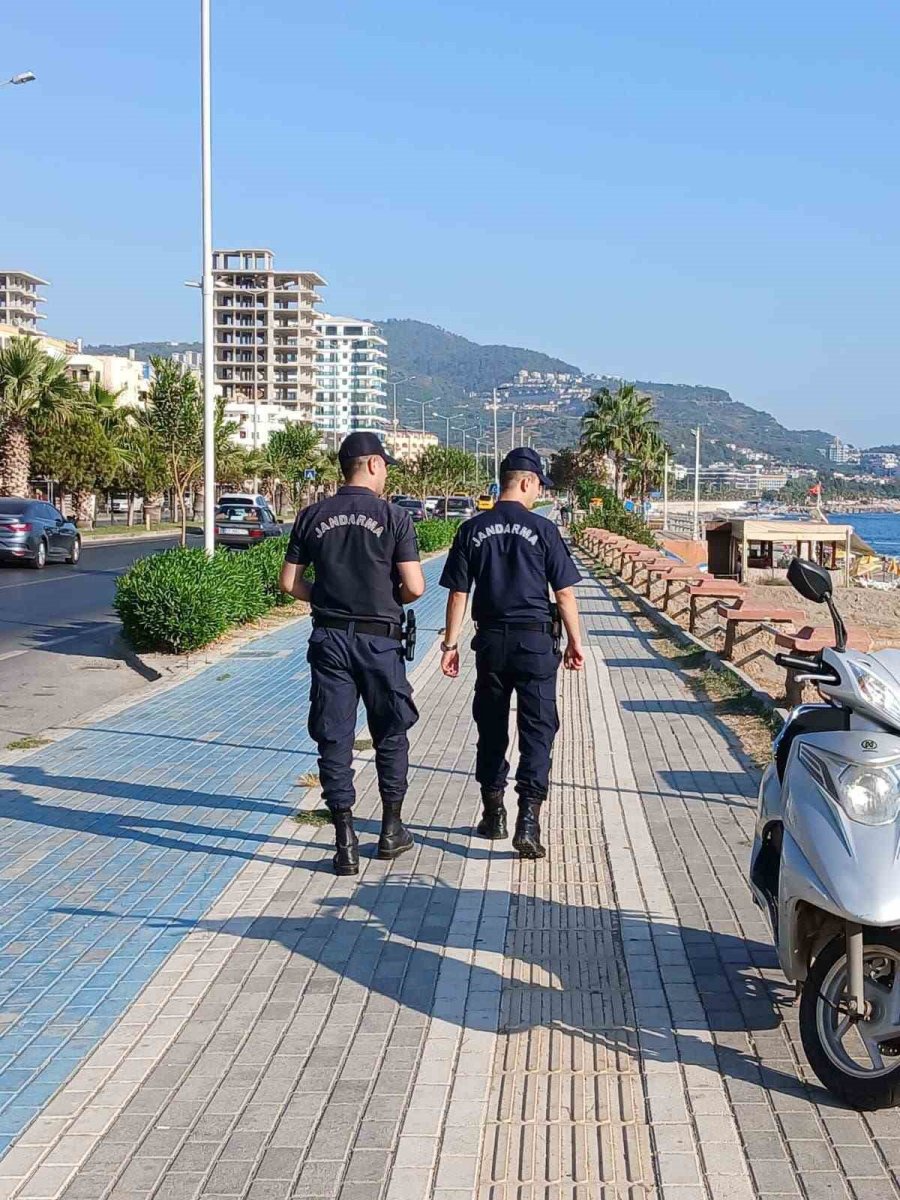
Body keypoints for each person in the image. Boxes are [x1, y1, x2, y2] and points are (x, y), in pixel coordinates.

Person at [279, 432, 426, 876]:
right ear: (375, 465)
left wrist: (327, 598)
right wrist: (386, 600)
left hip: (329, 640)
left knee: (334, 737)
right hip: (380, 642)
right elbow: (415, 587)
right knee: (390, 732)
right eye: (385, 468)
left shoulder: (311, 515)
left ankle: (344, 841)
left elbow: (289, 583)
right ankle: (390, 830)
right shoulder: (394, 517)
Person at [438, 447, 584, 859]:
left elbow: (458, 594)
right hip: (535, 644)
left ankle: (494, 813)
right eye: (538, 486)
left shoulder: (471, 529)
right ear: (525, 481)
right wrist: (575, 642)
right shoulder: (544, 529)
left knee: (491, 727)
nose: (539, 493)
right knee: (538, 730)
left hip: (491, 644)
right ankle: (528, 821)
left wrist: (450, 645)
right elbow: (564, 593)